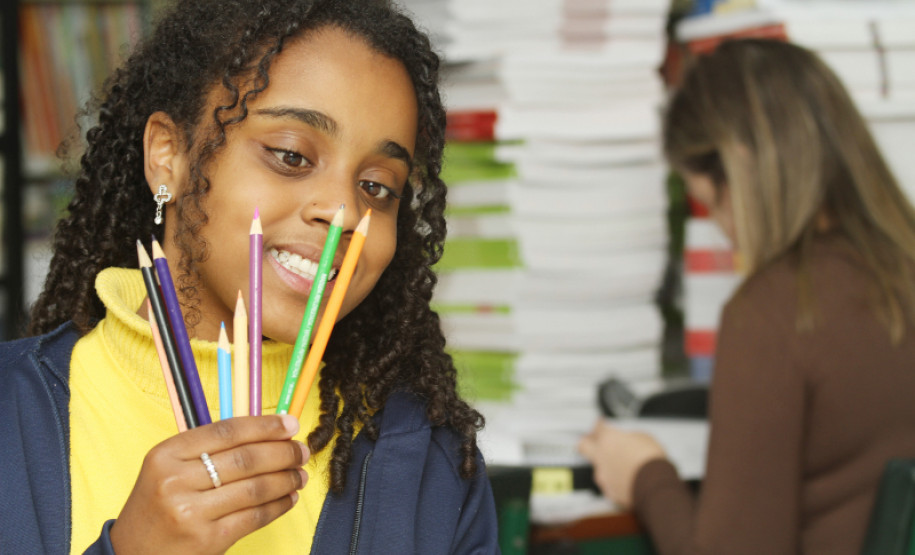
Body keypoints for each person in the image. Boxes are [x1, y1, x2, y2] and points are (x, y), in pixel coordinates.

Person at [0, 0, 498, 553]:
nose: (344, 213)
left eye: (377, 187)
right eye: (290, 155)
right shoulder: (13, 413)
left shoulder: (431, 465)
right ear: (168, 155)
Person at [578, 38, 915, 554]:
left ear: (741, 164)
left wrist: (647, 475)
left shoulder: (777, 313)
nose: (724, 232)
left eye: (712, 203)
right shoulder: (898, 272)